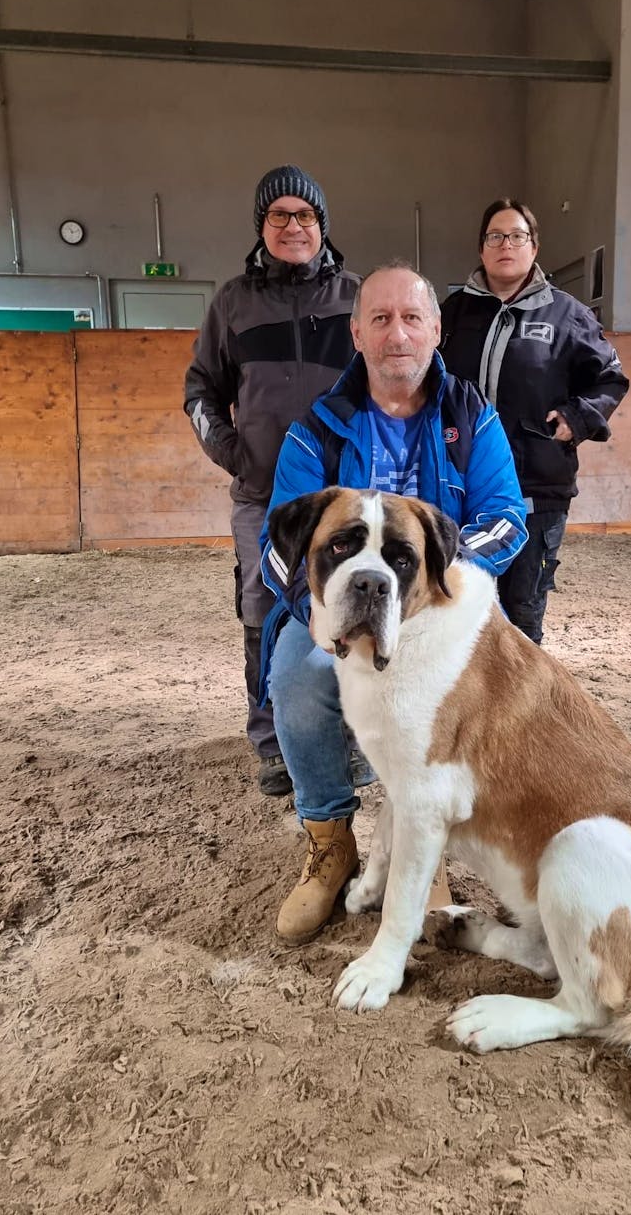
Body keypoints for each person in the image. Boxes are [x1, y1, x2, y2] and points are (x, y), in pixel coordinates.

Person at [259, 262, 528, 943]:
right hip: (339, 607)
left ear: (435, 330)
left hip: (435, 605)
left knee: (478, 689)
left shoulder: (472, 417)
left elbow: (506, 517)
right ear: (357, 334)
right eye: (379, 319)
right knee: (296, 677)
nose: (396, 334)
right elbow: (276, 544)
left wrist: (434, 592)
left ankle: (423, 843)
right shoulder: (316, 429)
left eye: (411, 318)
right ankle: (330, 842)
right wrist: (317, 609)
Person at [184, 165, 365, 798]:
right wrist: (236, 454)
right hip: (262, 496)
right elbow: (200, 392)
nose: (293, 226)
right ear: (261, 226)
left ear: (322, 225)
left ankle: (351, 736)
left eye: (304, 215)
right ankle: (272, 742)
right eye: (279, 215)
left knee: (351, 604)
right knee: (263, 609)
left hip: (345, 496)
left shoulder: (354, 297)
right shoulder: (232, 302)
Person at [440, 198, 629, 645]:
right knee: (455, 609)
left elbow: (610, 379)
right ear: (481, 248)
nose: (506, 245)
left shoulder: (567, 315)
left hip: (536, 491)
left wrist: (577, 418)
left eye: (517, 236)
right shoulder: (452, 313)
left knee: (522, 615)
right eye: (495, 236)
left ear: (534, 247)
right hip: (458, 485)